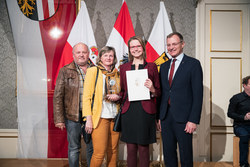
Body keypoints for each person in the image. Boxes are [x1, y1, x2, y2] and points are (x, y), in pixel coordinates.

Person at [158, 32, 203, 167]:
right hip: (166, 117)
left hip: (184, 118)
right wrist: (159, 117)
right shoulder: (164, 66)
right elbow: (163, 94)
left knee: (185, 154)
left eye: (174, 44)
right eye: (168, 45)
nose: (171, 47)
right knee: (168, 153)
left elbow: (198, 94)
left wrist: (193, 120)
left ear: (182, 44)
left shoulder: (193, 64)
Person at [119, 36, 161, 167]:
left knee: (143, 148)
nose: (135, 49)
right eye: (132, 47)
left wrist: (152, 88)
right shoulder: (123, 67)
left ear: (143, 48)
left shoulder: (152, 66)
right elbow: (122, 90)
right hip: (129, 111)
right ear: (129, 50)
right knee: (130, 148)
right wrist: (116, 96)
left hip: (145, 111)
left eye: (138, 46)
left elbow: (159, 92)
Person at [53, 42, 93, 167]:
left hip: (91, 116)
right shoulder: (65, 70)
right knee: (74, 148)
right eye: (78, 52)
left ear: (88, 54)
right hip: (72, 116)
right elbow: (58, 96)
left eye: (84, 52)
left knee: (92, 147)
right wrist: (59, 119)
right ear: (73, 54)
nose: (81, 55)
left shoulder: (95, 69)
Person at [82, 46, 120, 167]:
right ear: (101, 57)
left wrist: (119, 97)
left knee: (113, 151)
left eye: (111, 55)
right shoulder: (93, 71)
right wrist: (88, 119)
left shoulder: (117, 73)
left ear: (114, 58)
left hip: (115, 117)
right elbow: (86, 97)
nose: (108, 58)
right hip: (100, 117)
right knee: (99, 153)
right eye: (105, 55)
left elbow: (122, 93)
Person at [228, 76, 250, 167]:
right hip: (240, 125)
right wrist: (244, 117)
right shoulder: (236, 98)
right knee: (244, 136)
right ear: (244, 85)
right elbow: (230, 113)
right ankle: (243, 164)